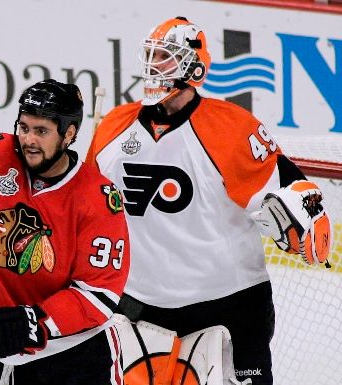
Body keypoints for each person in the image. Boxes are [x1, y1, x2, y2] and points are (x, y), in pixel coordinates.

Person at [86, 17, 332, 385]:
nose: (154, 67)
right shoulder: (114, 126)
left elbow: (286, 183)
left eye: (166, 58)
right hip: (140, 305)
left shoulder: (231, 128)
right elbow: (90, 204)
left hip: (229, 305)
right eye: (151, 56)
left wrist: (309, 214)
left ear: (194, 67)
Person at [0, 79, 130, 385]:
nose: (29, 139)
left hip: (74, 353)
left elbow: (99, 293)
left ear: (69, 134)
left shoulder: (98, 198)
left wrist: (34, 322)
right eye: (24, 127)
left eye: (41, 131)